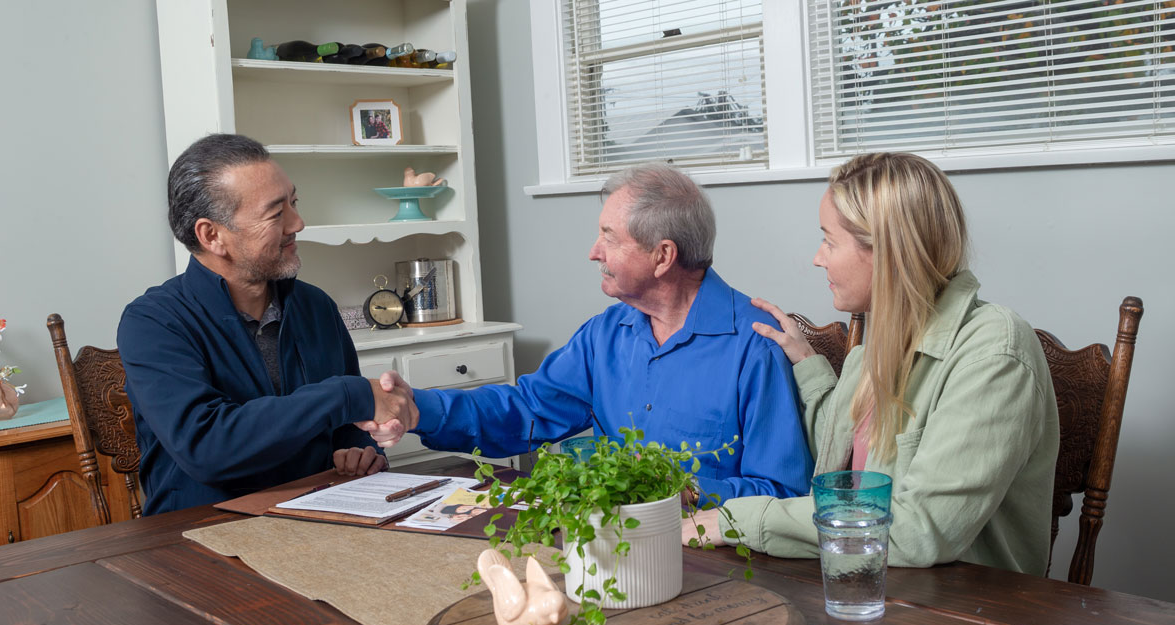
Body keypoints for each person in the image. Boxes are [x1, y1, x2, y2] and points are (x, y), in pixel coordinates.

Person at [685, 152, 1059, 575]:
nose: (818, 258)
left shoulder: (995, 353)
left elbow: (920, 530)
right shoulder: (879, 346)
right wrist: (806, 363)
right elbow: (843, 451)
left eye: (829, 241)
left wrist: (743, 520)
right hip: (867, 581)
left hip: (963, 603)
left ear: (888, 251)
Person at [366, 163, 814, 504]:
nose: (593, 252)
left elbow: (783, 491)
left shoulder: (757, 344)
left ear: (662, 256)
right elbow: (526, 410)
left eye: (609, 237)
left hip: (715, 559)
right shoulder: (606, 334)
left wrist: (689, 492)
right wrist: (417, 408)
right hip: (612, 544)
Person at [119, 133, 402, 515]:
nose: (297, 223)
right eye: (275, 214)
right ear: (212, 235)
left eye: (293, 203)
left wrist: (360, 451)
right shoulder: (153, 323)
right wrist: (347, 395)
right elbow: (209, 448)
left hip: (317, 518)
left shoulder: (316, 306)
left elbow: (347, 427)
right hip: (201, 532)